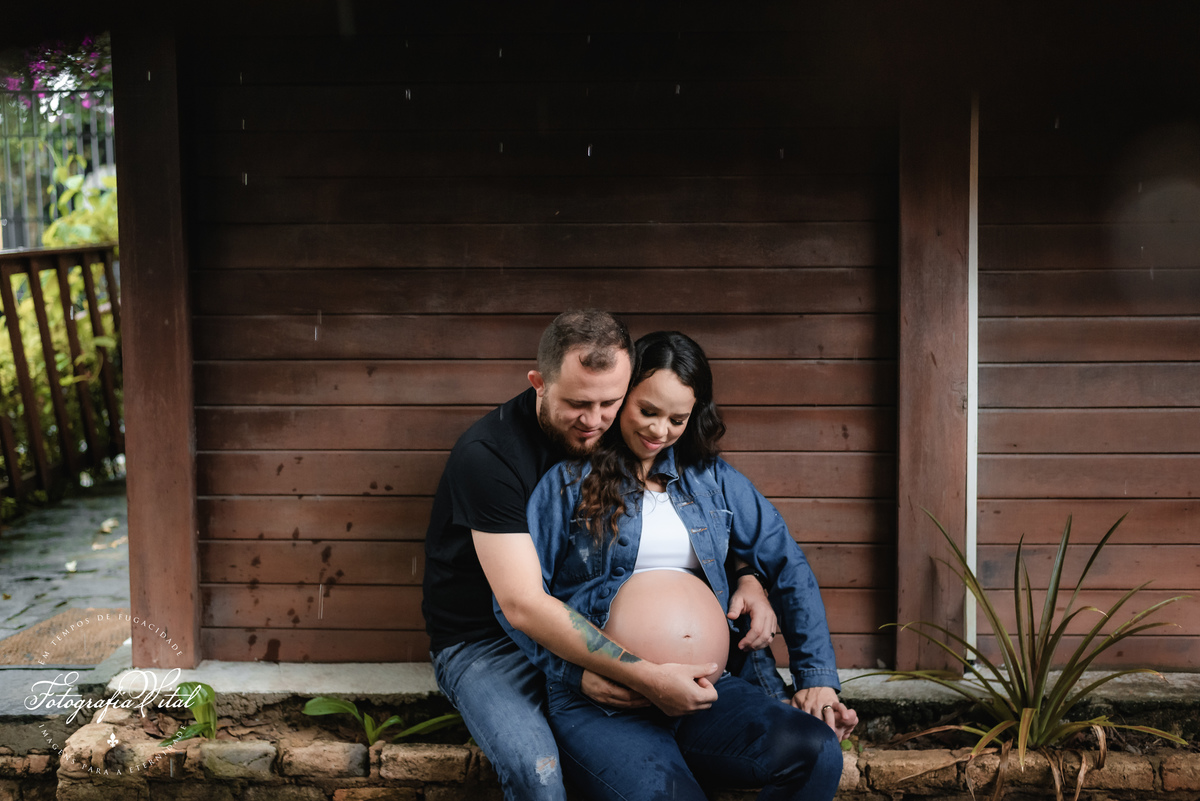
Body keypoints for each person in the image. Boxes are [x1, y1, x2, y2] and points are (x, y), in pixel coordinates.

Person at [423, 312, 777, 801]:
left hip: (581, 622)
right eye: (576, 404)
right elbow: (522, 604)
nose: (593, 421)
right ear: (538, 384)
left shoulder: (627, 429)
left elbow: (700, 511)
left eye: (610, 402)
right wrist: (633, 673)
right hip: (487, 643)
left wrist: (747, 574)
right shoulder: (490, 457)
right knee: (538, 774)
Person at [491, 331, 857, 801]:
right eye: (647, 411)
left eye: (677, 418)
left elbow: (788, 565)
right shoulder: (566, 485)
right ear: (622, 398)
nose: (660, 431)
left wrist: (818, 681)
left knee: (817, 751)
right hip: (607, 703)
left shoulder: (712, 480)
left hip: (710, 694)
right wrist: (574, 675)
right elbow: (516, 603)